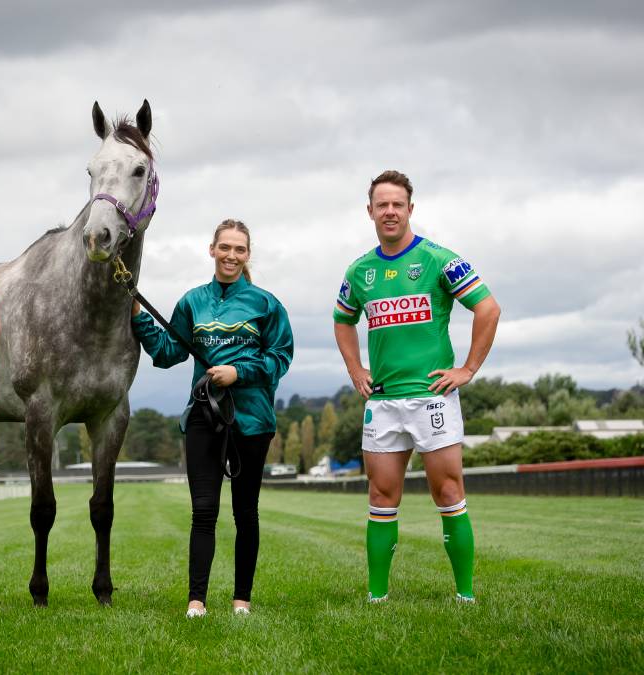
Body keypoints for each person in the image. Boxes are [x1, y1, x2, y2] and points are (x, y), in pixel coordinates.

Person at [333, 170, 500, 603]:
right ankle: (377, 596)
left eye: (398, 204)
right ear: (369, 211)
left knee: (449, 493)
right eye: (381, 205)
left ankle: (465, 595)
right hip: (384, 400)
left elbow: (487, 309)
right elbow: (342, 319)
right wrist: (356, 368)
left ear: (410, 209)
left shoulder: (438, 260)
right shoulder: (360, 270)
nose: (390, 211)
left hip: (432, 397)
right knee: (381, 495)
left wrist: (467, 369)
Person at [132, 220, 293, 618]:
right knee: (203, 511)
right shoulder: (192, 302)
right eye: (225, 247)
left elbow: (280, 357)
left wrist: (239, 373)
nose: (231, 256)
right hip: (204, 415)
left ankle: (241, 600)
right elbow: (169, 352)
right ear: (212, 250)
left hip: (252, 419)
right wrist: (137, 314)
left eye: (239, 249)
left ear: (247, 254)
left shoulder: (266, 304)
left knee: (245, 512)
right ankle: (196, 601)